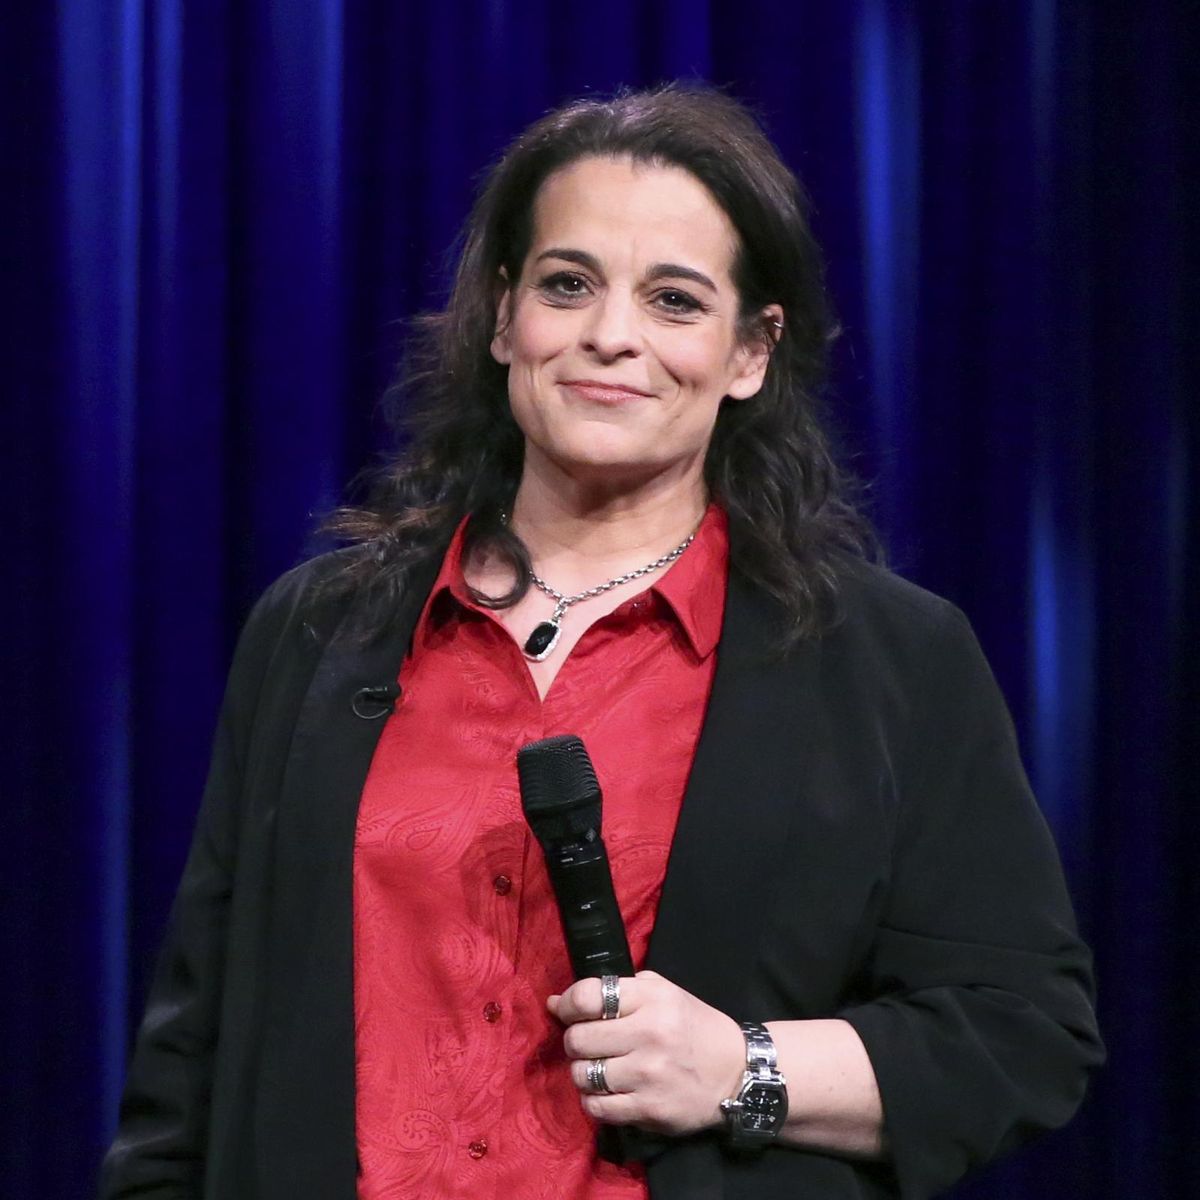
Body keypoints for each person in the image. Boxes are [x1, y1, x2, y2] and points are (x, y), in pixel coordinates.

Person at [100, 84, 1103, 1200]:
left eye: (675, 301)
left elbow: (1022, 1032)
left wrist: (741, 1068)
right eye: (567, 284)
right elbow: (191, 1061)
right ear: (503, 317)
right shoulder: (320, 629)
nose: (611, 336)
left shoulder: (893, 662)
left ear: (750, 352)